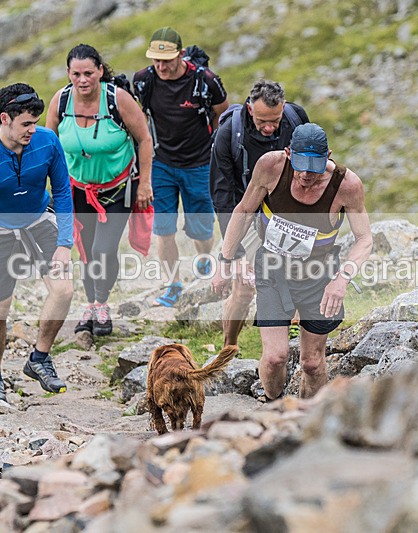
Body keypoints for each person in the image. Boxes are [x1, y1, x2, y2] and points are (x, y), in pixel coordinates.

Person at [212, 123, 373, 400]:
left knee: (312, 363)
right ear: (288, 153)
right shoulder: (270, 167)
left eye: (315, 167)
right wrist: (225, 260)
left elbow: (364, 239)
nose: (306, 175)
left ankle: (309, 416)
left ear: (329, 156)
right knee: (275, 357)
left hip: (318, 275)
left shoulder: (347, 185)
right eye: (300, 165)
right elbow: (244, 210)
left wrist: (341, 280)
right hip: (272, 270)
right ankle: (274, 406)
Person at [0, 83, 74, 406]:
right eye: (26, 124)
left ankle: (39, 358)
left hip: (37, 218)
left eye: (35, 121)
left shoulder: (47, 141)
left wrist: (65, 243)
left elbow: (62, 191)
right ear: (4, 119)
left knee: (63, 290)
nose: (33, 129)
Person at [45, 44, 153, 337]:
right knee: (86, 250)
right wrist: (47, 189)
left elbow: (144, 139)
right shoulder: (61, 101)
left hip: (118, 189)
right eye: (76, 74)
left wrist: (145, 182)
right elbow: (47, 146)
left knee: (103, 249)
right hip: (76, 189)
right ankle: (91, 305)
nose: (82, 80)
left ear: (100, 71)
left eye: (89, 73)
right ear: (68, 74)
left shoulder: (118, 100)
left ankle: (101, 303)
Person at [133, 27, 229, 307]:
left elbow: (224, 109)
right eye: (156, 60)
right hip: (161, 163)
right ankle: (173, 283)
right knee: (164, 229)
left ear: (181, 54)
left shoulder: (205, 81)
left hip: (199, 164)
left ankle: (202, 259)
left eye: (167, 60)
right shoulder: (143, 80)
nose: (161, 66)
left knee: (202, 231)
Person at [210, 79, 308, 347]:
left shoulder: (296, 120)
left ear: (284, 108)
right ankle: (229, 345)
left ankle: (294, 348)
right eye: (263, 120)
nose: (268, 128)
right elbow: (222, 196)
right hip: (248, 213)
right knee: (244, 287)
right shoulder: (229, 133)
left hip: (287, 213)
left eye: (274, 121)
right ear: (251, 109)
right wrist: (235, 252)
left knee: (298, 281)